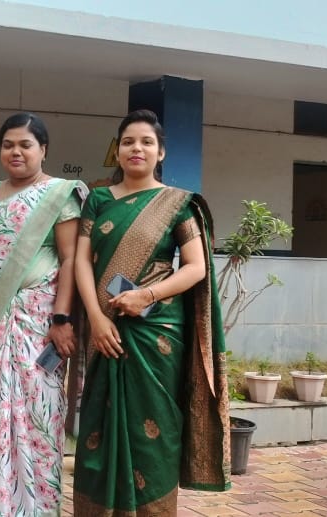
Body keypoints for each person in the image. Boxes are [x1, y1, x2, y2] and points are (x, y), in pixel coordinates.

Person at [73, 109, 230, 516]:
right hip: (104, 328)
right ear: (118, 151)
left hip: (156, 332)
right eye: (128, 142)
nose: (136, 149)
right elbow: (82, 261)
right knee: (99, 427)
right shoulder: (98, 199)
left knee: (154, 429)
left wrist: (146, 295)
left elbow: (196, 268)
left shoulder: (178, 204)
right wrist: (96, 318)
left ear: (161, 152)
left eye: (146, 142)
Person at [0, 113, 87, 516]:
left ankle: (36, 505)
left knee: (36, 408)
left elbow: (69, 259)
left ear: (43, 150)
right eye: (8, 144)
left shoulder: (60, 194)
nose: (16, 152)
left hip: (38, 321)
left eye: (25, 145)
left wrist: (61, 319)